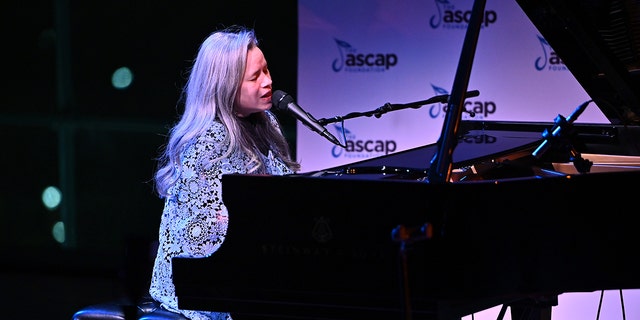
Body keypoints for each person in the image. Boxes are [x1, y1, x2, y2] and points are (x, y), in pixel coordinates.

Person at [148, 26, 301, 320]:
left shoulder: (266, 121)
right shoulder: (207, 140)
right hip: (197, 287)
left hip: (251, 265)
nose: (269, 82)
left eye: (267, 70)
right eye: (255, 77)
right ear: (225, 85)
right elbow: (199, 233)